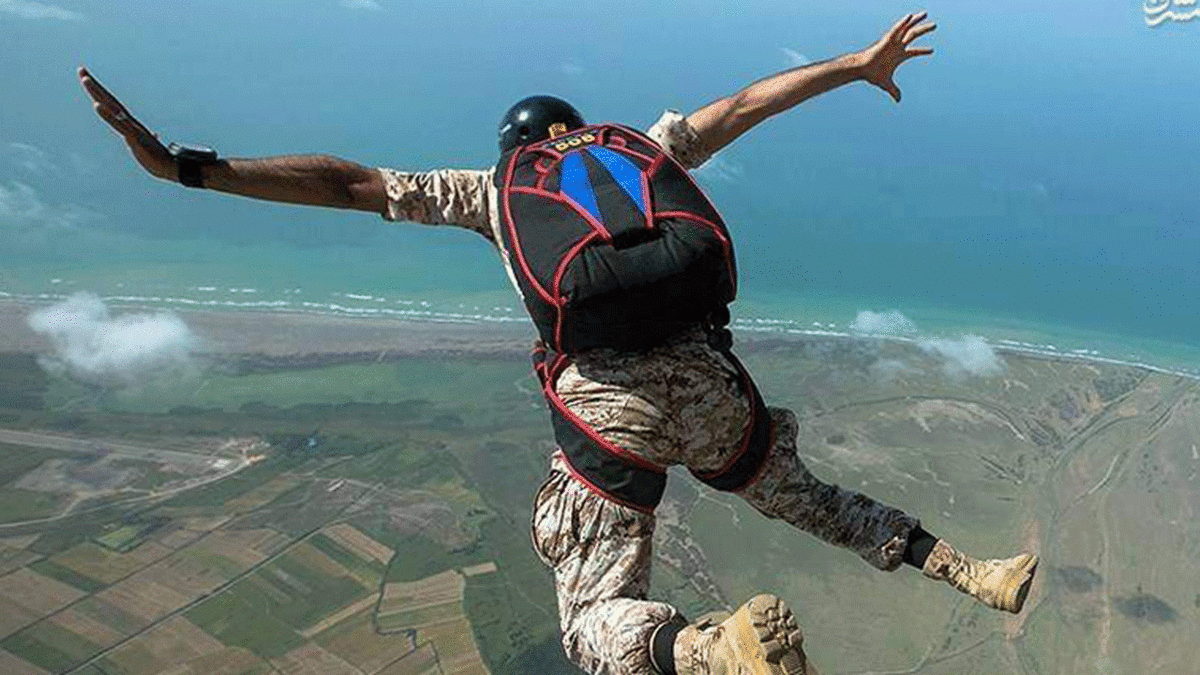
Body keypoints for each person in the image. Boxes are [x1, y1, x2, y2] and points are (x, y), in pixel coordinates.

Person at [79, 11, 1037, 675]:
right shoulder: (647, 146)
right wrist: (854, 66)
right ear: (580, 131)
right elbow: (748, 103)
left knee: (593, 627)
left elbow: (344, 182)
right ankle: (972, 570)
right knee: (806, 497)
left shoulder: (493, 188)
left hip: (607, 411)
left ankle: (709, 652)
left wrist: (188, 169)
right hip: (714, 390)